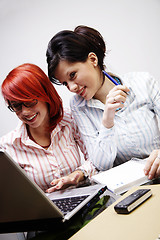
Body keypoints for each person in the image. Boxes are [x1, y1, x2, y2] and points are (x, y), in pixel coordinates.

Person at [46, 25, 160, 180]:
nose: (71, 88)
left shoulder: (142, 82)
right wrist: (107, 122)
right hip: (128, 190)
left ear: (93, 59)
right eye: (65, 83)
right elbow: (101, 165)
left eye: (72, 75)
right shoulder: (79, 106)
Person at [0, 63, 98, 193]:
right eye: (17, 106)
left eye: (29, 102)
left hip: (85, 197)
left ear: (45, 94)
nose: (24, 112)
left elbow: (96, 160)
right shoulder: (8, 146)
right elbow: (16, 195)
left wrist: (78, 175)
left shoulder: (69, 118)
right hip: (45, 212)